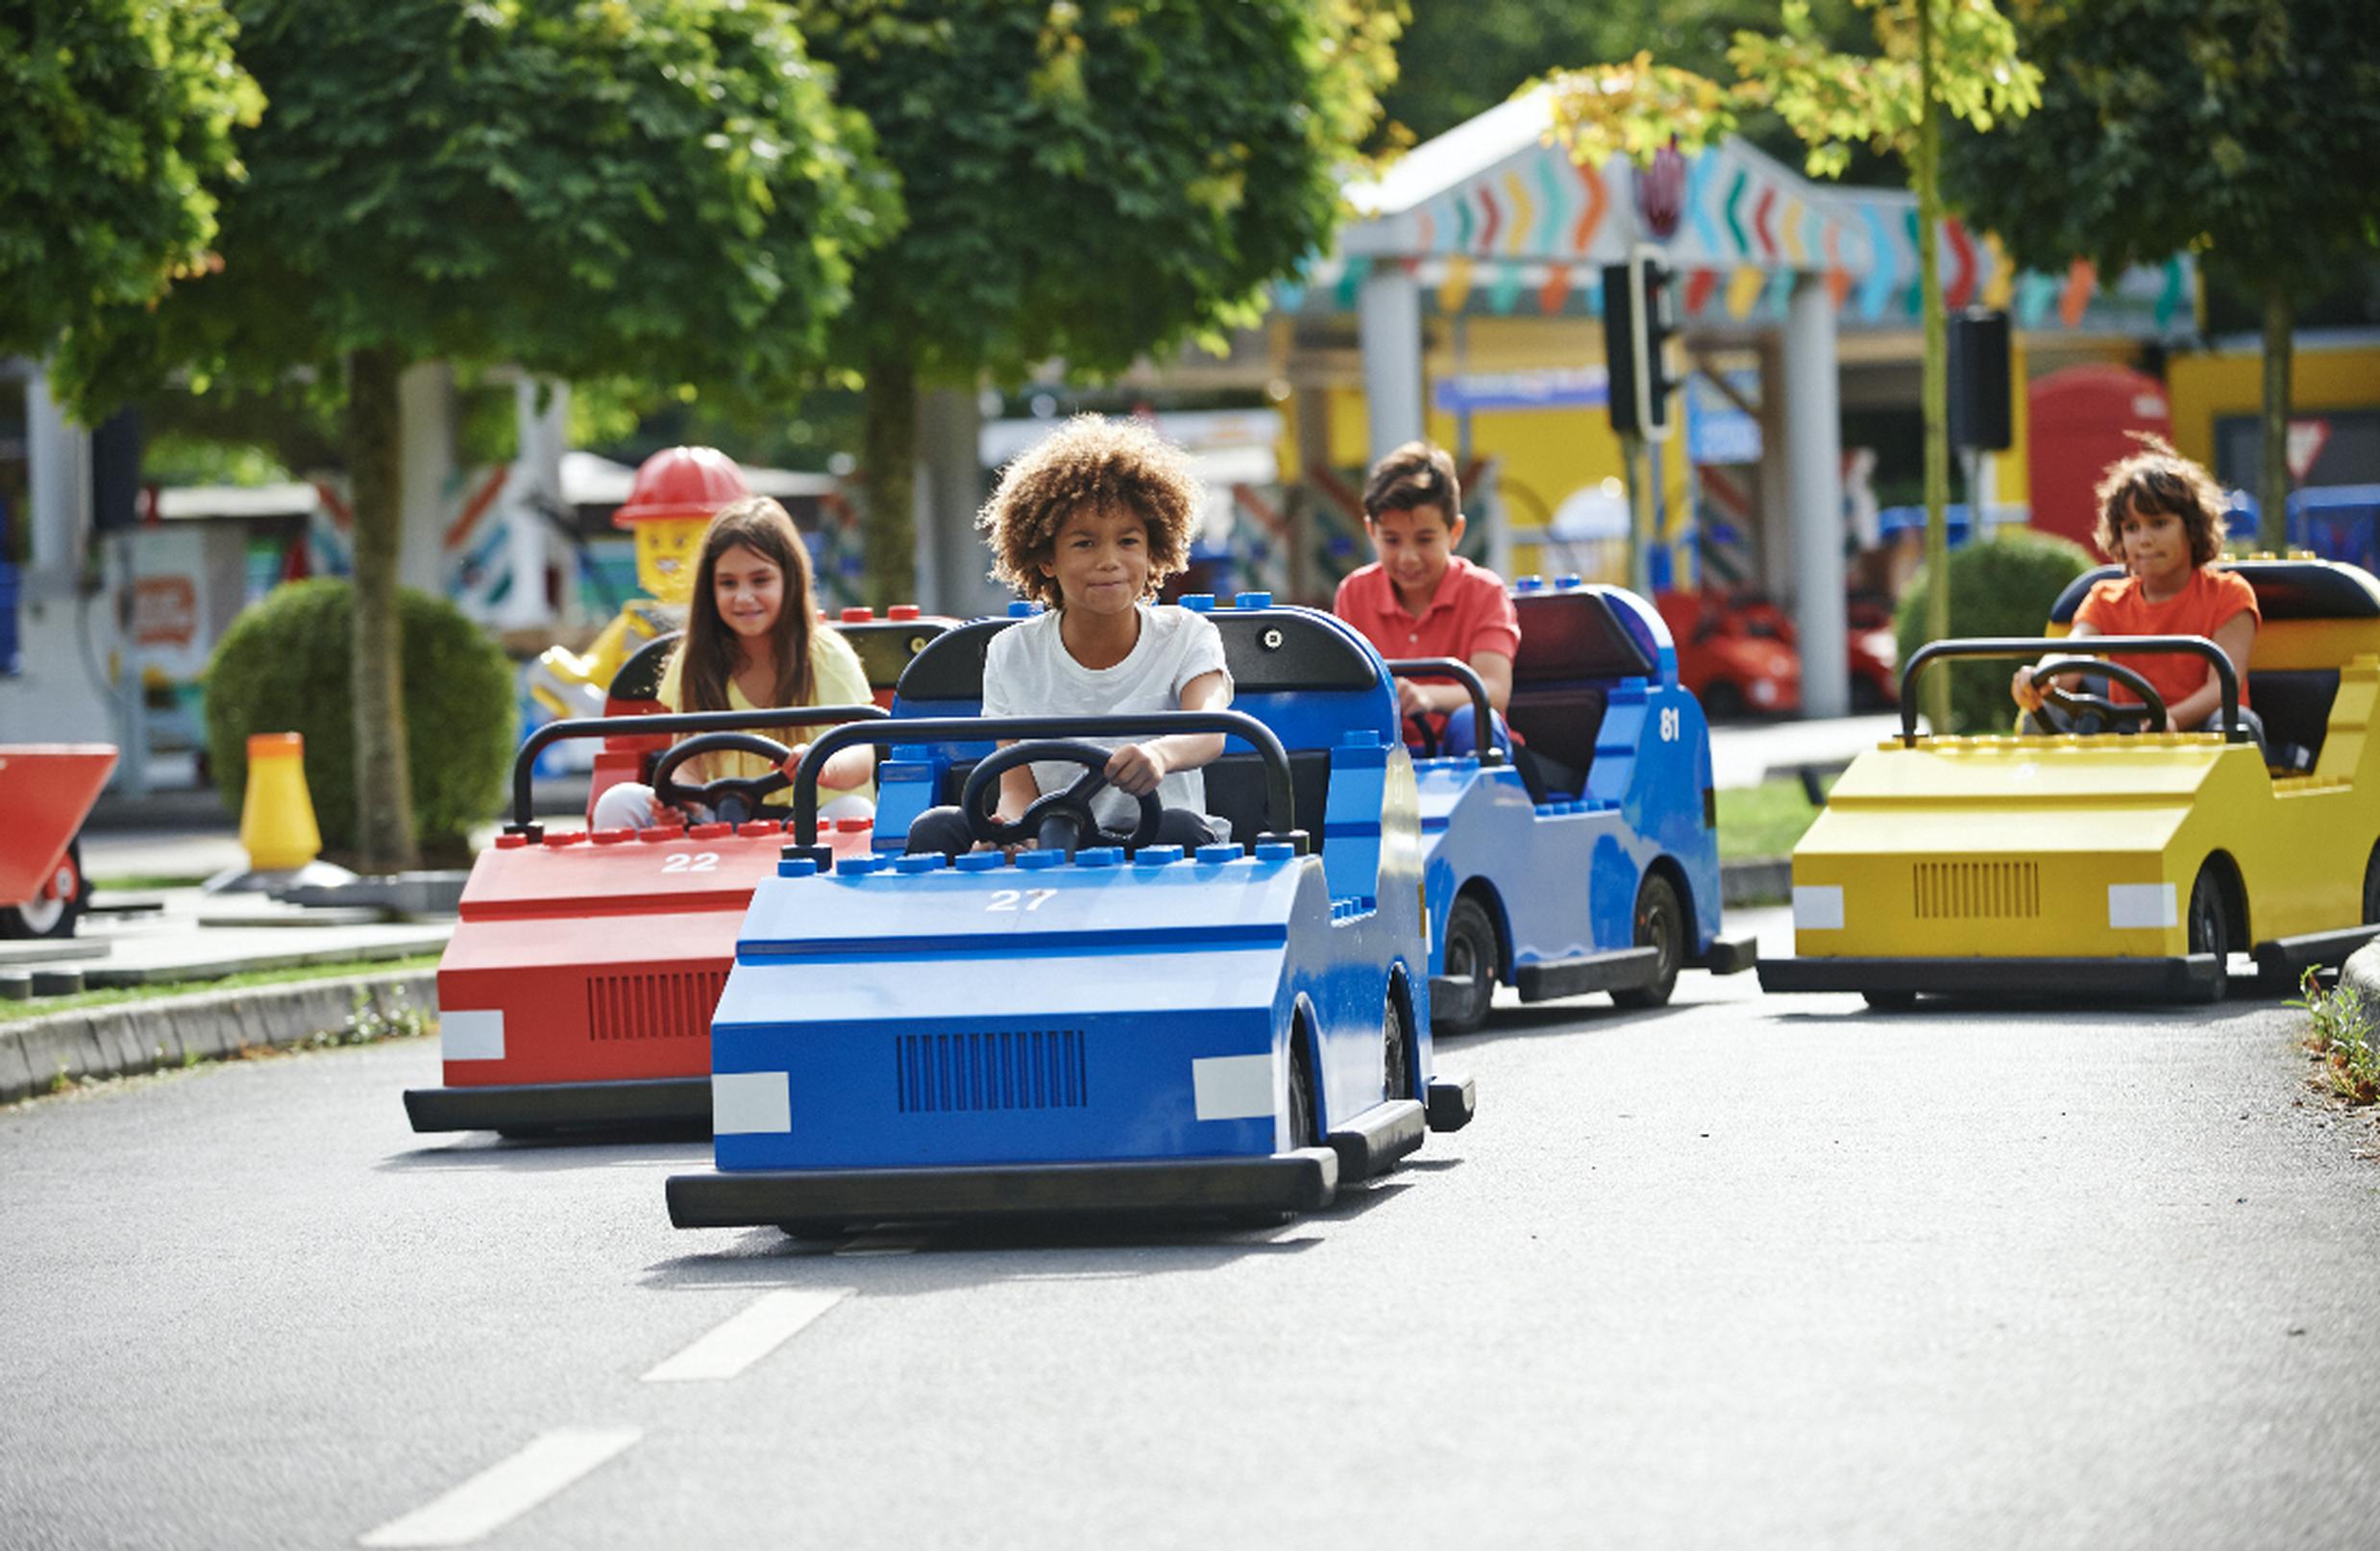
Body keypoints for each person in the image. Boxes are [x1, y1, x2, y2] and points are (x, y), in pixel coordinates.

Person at [905, 416, 1232, 859]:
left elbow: (1210, 731)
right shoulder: (1011, 651)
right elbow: (1016, 786)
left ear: (1153, 549)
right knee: (936, 829)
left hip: (1155, 840)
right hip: (1054, 833)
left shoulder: (1187, 635)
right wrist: (1012, 832)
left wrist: (1159, 755)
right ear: (1045, 560)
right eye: (1084, 544)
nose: (1110, 561)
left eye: (1128, 541)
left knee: (1182, 829)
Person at [589, 495, 876, 829]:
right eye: (728, 583)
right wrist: (683, 805)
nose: (743, 597)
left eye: (760, 580)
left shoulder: (826, 655)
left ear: (790, 579)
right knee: (618, 802)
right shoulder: (692, 659)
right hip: (721, 821)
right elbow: (688, 760)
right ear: (709, 590)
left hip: (809, 823)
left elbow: (860, 754)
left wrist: (821, 766)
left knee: (854, 810)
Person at [2010, 435, 2261, 740]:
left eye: (2158, 524)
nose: (2144, 539)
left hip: (2202, 733)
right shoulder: (2106, 599)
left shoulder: (2229, 594)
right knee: (2045, 710)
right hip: (2131, 735)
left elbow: (2223, 687)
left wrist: (2171, 720)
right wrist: (2038, 678)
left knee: (2238, 722)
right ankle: (2044, 787)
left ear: (2193, 528)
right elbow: (2070, 653)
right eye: (2131, 527)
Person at [1332, 441, 1519, 759]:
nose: (1408, 557)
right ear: (1371, 532)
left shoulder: (1485, 592)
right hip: (1389, 757)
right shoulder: (1354, 592)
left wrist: (1427, 696)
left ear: (1455, 532)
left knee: (1470, 719)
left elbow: (1495, 690)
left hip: (1470, 753)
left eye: (1425, 540)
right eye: (1391, 540)